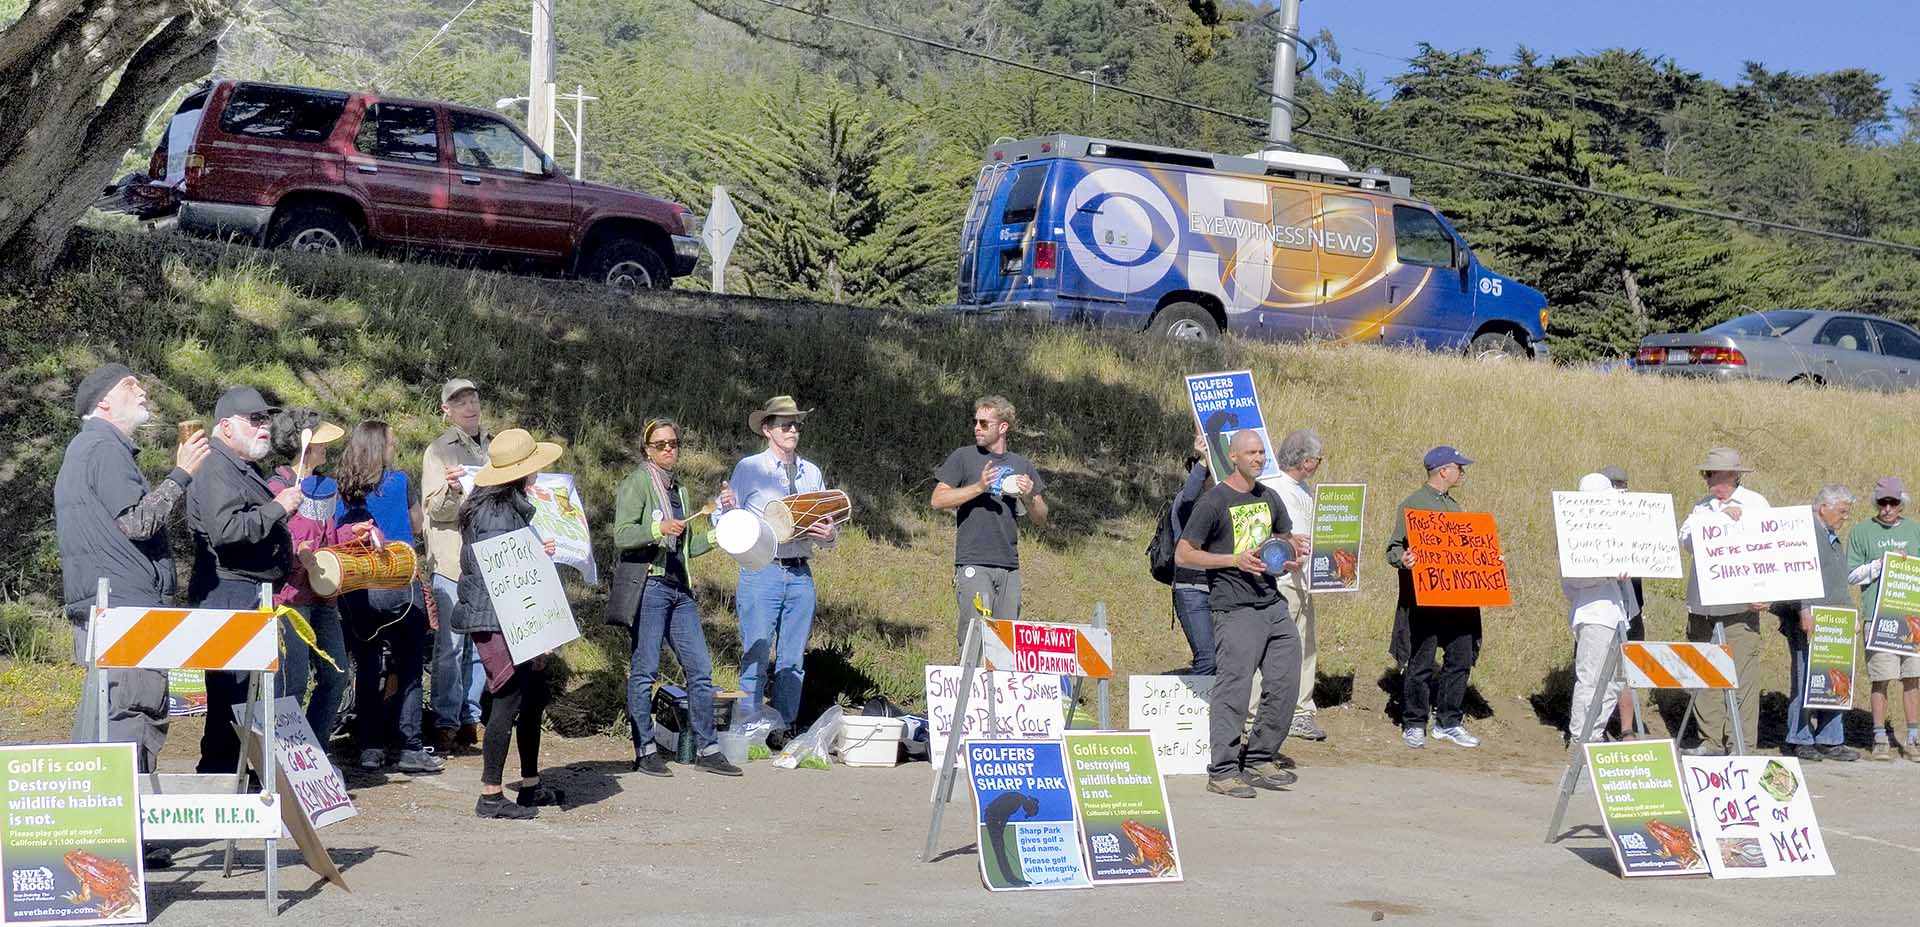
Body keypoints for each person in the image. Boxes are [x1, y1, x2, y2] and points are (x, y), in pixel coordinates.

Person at [56, 364, 209, 777]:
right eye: (130, 385)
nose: (143, 390)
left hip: (110, 606)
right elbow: (139, 522)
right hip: (126, 611)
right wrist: (183, 474)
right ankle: (127, 835)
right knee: (133, 715)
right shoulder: (104, 449)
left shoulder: (87, 449)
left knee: (109, 717)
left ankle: (108, 828)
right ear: (103, 402)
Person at [609, 419, 741, 777]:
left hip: (680, 588)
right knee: (645, 670)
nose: (668, 449)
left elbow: (687, 547)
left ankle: (708, 748)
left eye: (673, 443)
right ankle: (645, 748)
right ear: (647, 449)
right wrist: (657, 528)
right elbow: (621, 535)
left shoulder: (678, 491)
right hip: (650, 585)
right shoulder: (638, 483)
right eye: (660, 444)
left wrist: (721, 534)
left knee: (700, 670)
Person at [1174, 430, 1300, 799]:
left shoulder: (1269, 497)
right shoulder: (1214, 502)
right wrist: (1233, 560)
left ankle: (1260, 756)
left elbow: (1284, 540)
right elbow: (1184, 554)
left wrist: (1293, 554)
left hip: (1272, 602)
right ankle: (1224, 770)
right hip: (1234, 606)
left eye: (1262, 452)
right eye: (1251, 452)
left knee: (1285, 681)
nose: (1259, 458)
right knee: (1235, 688)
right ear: (1233, 457)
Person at [186, 387, 305, 774]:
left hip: (243, 591)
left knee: (241, 694)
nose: (264, 427)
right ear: (226, 426)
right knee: (230, 694)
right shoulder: (216, 467)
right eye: (254, 419)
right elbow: (226, 530)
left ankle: (234, 774)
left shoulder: (236, 465)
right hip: (228, 592)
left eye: (266, 419)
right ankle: (219, 778)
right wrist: (277, 508)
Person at [454, 428, 567, 819]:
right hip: (501, 617)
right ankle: (490, 795)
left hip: (504, 614)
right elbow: (505, 578)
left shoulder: (499, 507)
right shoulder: (498, 512)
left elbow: (512, 565)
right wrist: (536, 631)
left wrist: (536, 551)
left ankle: (530, 786)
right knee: (509, 697)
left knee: (532, 695)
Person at [333, 421, 441, 774]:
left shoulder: (343, 488)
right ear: (380, 447)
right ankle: (410, 746)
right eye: (391, 442)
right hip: (397, 581)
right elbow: (414, 524)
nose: (394, 446)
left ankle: (371, 747)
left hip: (359, 586)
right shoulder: (399, 481)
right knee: (408, 667)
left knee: (365, 667)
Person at [728, 396, 837, 737]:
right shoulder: (749, 468)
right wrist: (730, 512)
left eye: (796, 425)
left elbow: (828, 530)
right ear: (767, 430)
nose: (793, 430)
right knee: (756, 652)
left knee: (792, 659)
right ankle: (748, 726)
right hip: (762, 570)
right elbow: (725, 519)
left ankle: (784, 727)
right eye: (785, 424)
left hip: (801, 572)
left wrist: (830, 534)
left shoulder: (812, 472)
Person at [1385, 446, 1484, 750]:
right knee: (1421, 661)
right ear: (1444, 470)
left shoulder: (1457, 508)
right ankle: (1414, 722)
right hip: (1423, 600)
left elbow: (1465, 551)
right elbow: (1392, 550)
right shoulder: (1412, 505)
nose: (1462, 473)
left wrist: (1488, 558)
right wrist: (1405, 559)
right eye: (1459, 467)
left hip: (1459, 599)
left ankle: (1449, 722)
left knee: (1460, 659)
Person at [931, 395, 1049, 650]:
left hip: (1009, 566)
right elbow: (938, 500)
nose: (977, 427)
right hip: (973, 562)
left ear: (1003, 427)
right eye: (975, 422)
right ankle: (969, 688)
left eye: (984, 423)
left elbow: (1041, 517)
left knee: (1005, 645)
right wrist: (979, 487)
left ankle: (997, 690)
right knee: (975, 639)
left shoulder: (1021, 464)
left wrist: (1029, 496)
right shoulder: (964, 457)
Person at [1677, 447, 1770, 756]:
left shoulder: (1757, 504)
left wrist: (1765, 592)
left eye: (1712, 473)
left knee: (1743, 678)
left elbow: (1770, 552)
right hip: (1703, 607)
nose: (1708, 480)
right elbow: (1687, 541)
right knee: (1705, 676)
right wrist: (1718, 521)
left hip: (1741, 609)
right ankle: (1711, 741)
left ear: (1731, 475)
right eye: (1706, 474)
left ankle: (1742, 744)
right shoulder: (1701, 508)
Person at [264, 410, 350, 742]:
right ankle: (281, 754)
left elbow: (330, 537)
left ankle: (313, 748)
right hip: (290, 599)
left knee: (336, 674)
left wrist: (353, 534)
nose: (327, 446)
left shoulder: (326, 487)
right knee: (292, 681)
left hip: (324, 595)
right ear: (304, 444)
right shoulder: (276, 487)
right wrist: (298, 552)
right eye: (320, 440)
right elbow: (269, 539)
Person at [422, 378, 490, 754]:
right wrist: (451, 488)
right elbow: (436, 510)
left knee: (481, 643)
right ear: (445, 410)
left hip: (488, 560)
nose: (469, 406)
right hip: (451, 560)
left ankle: (471, 716)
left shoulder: (495, 448)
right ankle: (445, 720)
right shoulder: (439, 451)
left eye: (473, 398)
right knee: (450, 646)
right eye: (459, 401)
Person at [1774, 484, 1859, 762]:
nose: (1845, 517)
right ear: (1824, 507)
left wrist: (1851, 614)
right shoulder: (1805, 534)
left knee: (1835, 677)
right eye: (1842, 512)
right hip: (1807, 618)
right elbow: (1798, 572)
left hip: (1834, 622)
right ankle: (1799, 737)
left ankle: (1830, 738)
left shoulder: (1832, 537)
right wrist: (1805, 608)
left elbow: (1838, 583)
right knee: (1804, 678)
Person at [1845, 477, 1920, 761]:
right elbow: (1851, 574)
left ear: (1902, 504)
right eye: (1882, 503)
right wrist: (1880, 564)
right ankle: (1879, 736)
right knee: (1881, 678)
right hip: (1878, 618)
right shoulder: (1862, 531)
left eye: (1893, 502)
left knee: (1913, 678)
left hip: (1912, 618)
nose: (1888, 508)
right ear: (1876, 503)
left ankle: (1913, 737)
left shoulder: (1915, 531)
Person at [1560, 473, 1637, 743]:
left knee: (1614, 681)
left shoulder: (1608, 531)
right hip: (1593, 613)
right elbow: (1573, 580)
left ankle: (1594, 732)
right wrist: (1608, 575)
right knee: (1591, 678)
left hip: (1616, 614)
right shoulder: (1575, 533)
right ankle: (1582, 737)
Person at [1271, 429, 1325, 741]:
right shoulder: (1274, 487)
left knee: (1306, 646)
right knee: (1282, 648)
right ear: (1306, 461)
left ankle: (1302, 711)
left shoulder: (1304, 489)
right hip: (1283, 581)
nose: (1319, 464)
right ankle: (1276, 710)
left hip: (1306, 581)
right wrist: (1288, 543)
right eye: (1318, 459)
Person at [1600, 464, 1644, 735]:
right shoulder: (1587, 518)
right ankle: (1597, 726)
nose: (1620, 491)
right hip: (1601, 605)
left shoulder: (1639, 516)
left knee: (1628, 669)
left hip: (1631, 604)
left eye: (1622, 485)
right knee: (1598, 669)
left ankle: (1627, 728)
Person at [1168, 432, 1215, 675]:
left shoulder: (1222, 503)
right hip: (1192, 590)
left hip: (1220, 590)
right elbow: (1188, 498)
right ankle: (1198, 713)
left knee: (1225, 659)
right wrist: (1204, 460)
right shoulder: (1186, 501)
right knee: (1208, 659)